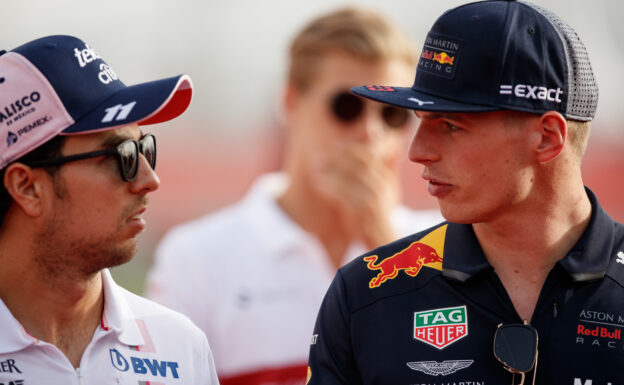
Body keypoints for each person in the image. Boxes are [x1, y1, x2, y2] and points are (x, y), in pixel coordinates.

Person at [307, 0, 624, 384]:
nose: (416, 151)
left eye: (452, 126)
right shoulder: (362, 295)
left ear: (546, 137)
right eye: (420, 121)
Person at [145, 7, 442, 385]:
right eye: (347, 106)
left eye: (393, 114)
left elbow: (460, 366)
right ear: (289, 102)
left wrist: (383, 241)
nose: (370, 133)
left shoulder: (446, 241)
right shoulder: (196, 258)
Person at [0, 35, 219, 384]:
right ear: (28, 187)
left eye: (145, 148)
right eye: (124, 157)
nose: (150, 180)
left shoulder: (181, 346)